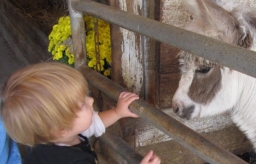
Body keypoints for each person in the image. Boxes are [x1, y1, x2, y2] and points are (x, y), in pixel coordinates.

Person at [0, 62, 161, 164]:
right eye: (82, 104)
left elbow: (92, 124)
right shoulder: (74, 161)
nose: (90, 101)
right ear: (61, 129)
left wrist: (117, 112)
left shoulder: (49, 138)